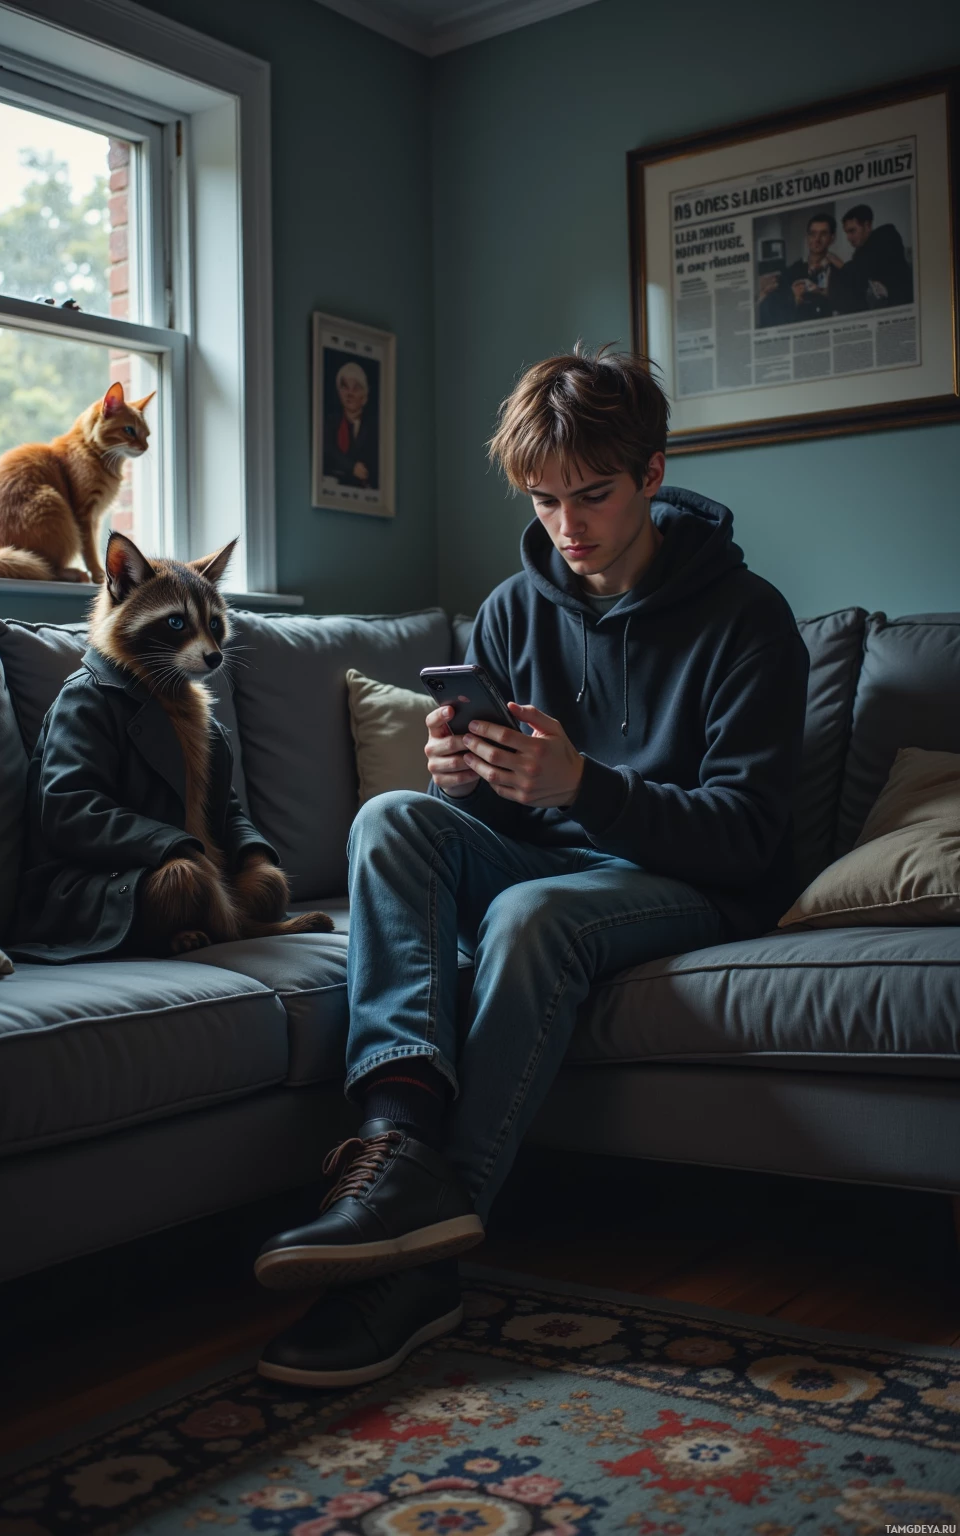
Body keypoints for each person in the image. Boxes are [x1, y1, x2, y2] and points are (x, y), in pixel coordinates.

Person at [255, 345, 810, 1387]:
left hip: (692, 885)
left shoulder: (750, 621)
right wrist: (462, 776)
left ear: (652, 473)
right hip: (546, 854)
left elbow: (746, 835)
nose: (567, 526)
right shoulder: (511, 610)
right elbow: (494, 809)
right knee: (391, 819)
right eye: (545, 500)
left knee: (530, 919)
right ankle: (394, 1151)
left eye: (592, 495)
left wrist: (584, 786)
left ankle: (418, 1260)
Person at [757, 212, 856, 326]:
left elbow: (852, 305)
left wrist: (825, 295)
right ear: (807, 237)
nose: (817, 239)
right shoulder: (791, 271)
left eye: (823, 234)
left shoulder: (841, 271)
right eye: (813, 234)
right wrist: (793, 298)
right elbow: (778, 312)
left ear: (832, 238)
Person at [828, 203, 914, 309]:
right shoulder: (860, 253)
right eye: (847, 233)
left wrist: (839, 263)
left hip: (903, 302)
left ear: (867, 226)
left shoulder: (887, 235)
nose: (848, 238)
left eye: (852, 231)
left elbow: (865, 267)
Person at [323, 359, 379, 488]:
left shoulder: (373, 426)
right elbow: (328, 451)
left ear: (364, 395)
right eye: (344, 387)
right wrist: (351, 466)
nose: (349, 394)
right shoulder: (331, 422)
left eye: (356, 388)